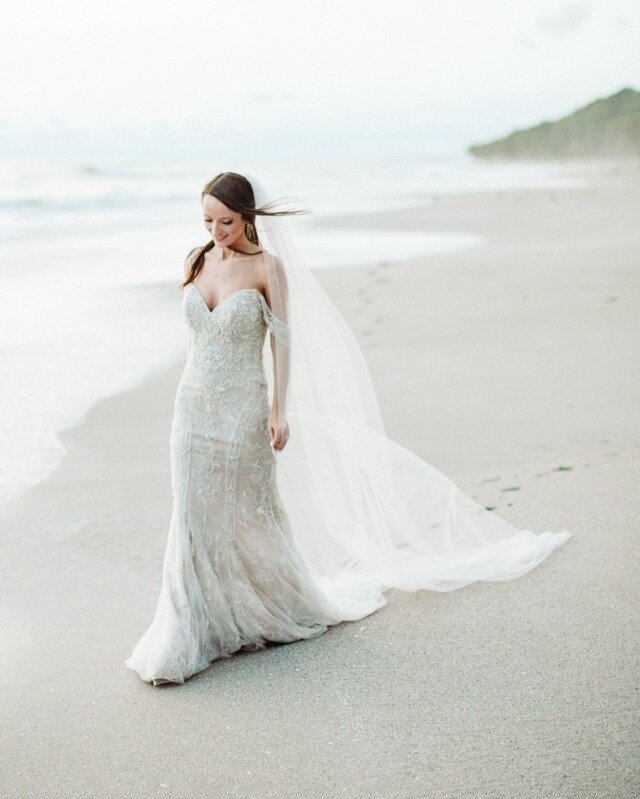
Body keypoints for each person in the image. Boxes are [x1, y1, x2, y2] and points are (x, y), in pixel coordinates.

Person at [126, 172, 572, 686]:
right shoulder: (195, 260)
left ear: (247, 216)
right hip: (193, 410)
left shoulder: (268, 268)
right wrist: (189, 401)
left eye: (225, 221)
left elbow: (283, 342)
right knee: (191, 516)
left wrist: (278, 409)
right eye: (207, 220)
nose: (216, 230)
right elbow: (194, 344)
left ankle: (262, 608)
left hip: (243, 411)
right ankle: (188, 630)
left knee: (250, 515)